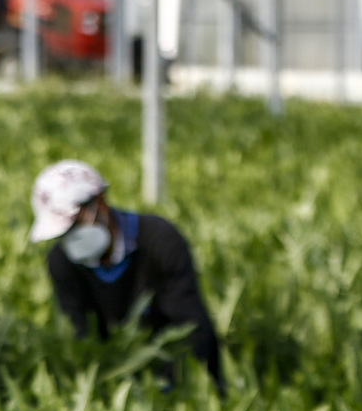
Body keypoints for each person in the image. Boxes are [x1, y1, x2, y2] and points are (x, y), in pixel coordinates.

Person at [28, 160, 226, 391]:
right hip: (117, 378)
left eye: (73, 226)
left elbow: (190, 325)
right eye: (63, 233)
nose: (70, 239)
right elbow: (81, 336)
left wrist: (172, 386)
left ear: (100, 203)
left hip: (168, 368)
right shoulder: (62, 262)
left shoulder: (160, 240)